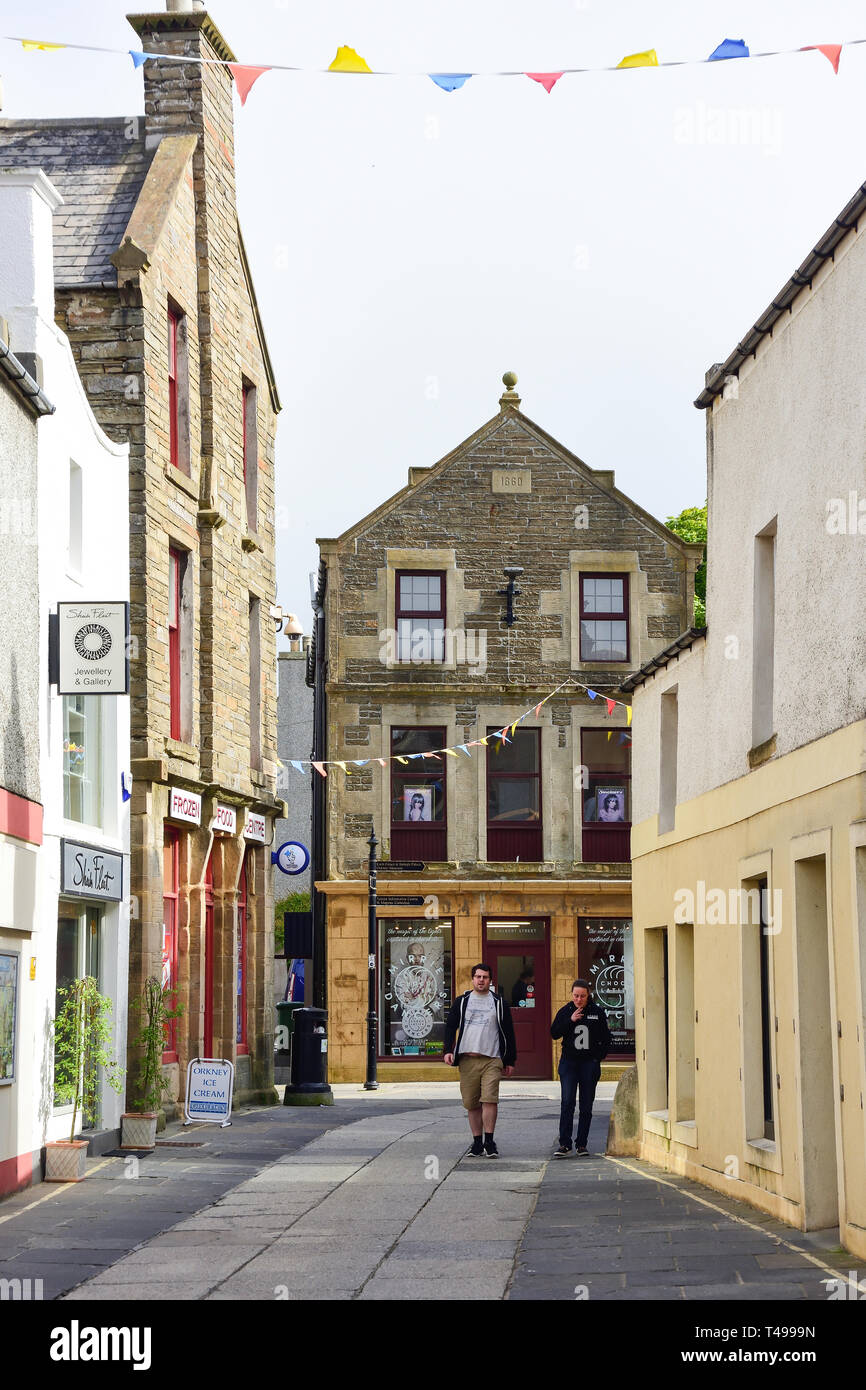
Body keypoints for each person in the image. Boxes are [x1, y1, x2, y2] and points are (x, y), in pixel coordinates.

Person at [443, 963, 516, 1158]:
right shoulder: (462, 1001)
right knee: (472, 1103)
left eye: (485, 977)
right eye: (478, 977)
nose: (481, 980)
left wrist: (510, 1060)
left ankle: (489, 1141)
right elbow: (450, 1027)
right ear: (473, 979)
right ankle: (477, 1143)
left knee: (490, 1100)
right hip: (468, 1059)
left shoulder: (499, 1002)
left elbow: (508, 1032)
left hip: (492, 1058)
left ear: (490, 981)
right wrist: (447, 1050)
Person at [550, 978, 611, 1157]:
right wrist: (570, 1020)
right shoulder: (566, 1010)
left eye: (582, 996)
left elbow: (606, 1038)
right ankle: (565, 1144)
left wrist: (597, 1058)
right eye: (576, 996)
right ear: (572, 995)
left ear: (588, 995)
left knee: (586, 1105)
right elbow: (554, 1033)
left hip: (588, 1064)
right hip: (569, 1063)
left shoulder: (597, 1012)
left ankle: (582, 1144)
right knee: (567, 1103)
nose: (579, 999)